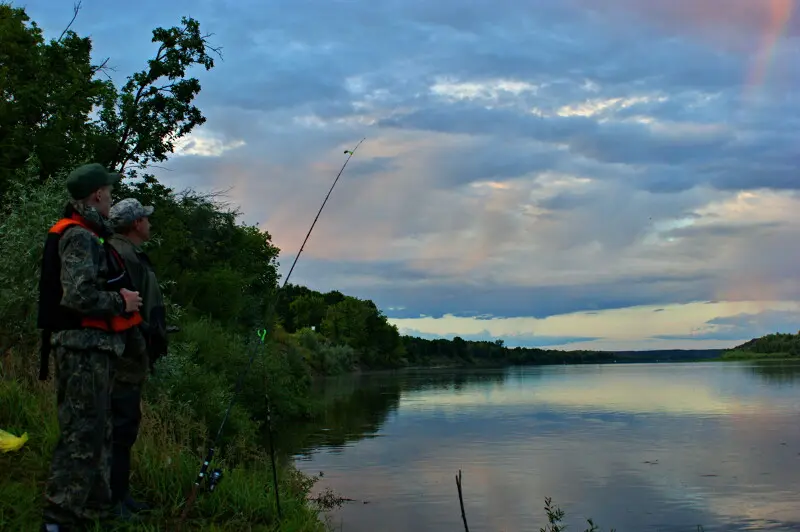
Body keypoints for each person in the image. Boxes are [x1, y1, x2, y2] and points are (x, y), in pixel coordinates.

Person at [37, 163, 144, 531]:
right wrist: (122, 301)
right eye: (109, 192)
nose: (112, 197)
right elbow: (79, 295)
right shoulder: (80, 236)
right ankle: (59, 520)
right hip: (82, 349)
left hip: (94, 350)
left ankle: (92, 514)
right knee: (81, 435)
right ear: (97, 194)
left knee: (99, 433)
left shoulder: (89, 233)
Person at [107, 197, 169, 514]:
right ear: (135, 224)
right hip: (124, 359)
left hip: (129, 356)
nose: (149, 222)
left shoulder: (125, 251)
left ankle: (120, 496)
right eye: (145, 218)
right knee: (121, 428)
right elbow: (126, 311)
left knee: (123, 427)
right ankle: (115, 502)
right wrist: (144, 339)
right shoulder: (124, 254)